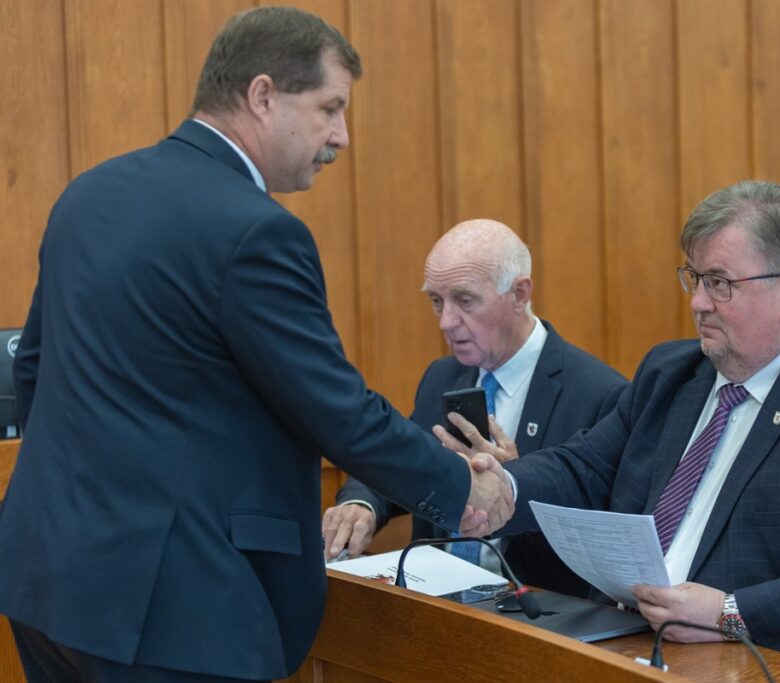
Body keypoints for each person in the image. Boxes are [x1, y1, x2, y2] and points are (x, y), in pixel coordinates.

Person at [0, 7, 510, 683]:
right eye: (329, 108)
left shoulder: (89, 195)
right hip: (171, 610)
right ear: (263, 95)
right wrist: (462, 489)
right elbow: (334, 409)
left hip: (45, 581)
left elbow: (33, 367)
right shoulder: (255, 232)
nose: (342, 136)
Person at [457, 181, 780, 681]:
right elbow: (585, 466)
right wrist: (504, 486)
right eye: (694, 278)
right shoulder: (672, 375)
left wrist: (730, 613)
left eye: (720, 283)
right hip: (640, 649)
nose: (698, 303)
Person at [323, 219, 627, 596]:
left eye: (465, 301)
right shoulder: (443, 376)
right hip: (438, 601)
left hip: (540, 612)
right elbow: (401, 459)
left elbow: (603, 544)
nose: (447, 322)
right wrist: (362, 504)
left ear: (519, 294)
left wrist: (517, 485)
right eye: (437, 301)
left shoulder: (599, 393)